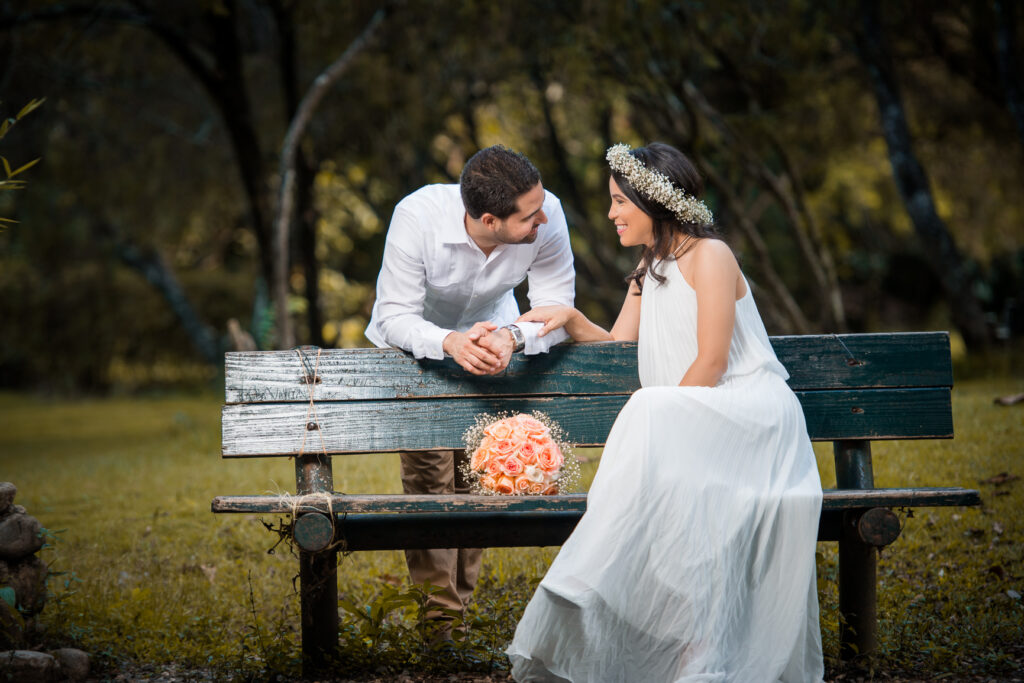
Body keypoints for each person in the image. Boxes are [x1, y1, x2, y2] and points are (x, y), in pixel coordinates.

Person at [506, 142, 823, 681]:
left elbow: (714, 361)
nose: (611, 214)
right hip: (693, 420)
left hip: (748, 413)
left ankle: (593, 572)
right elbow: (616, 346)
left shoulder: (711, 256)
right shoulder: (647, 270)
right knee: (660, 452)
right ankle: (687, 637)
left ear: (652, 200)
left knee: (649, 408)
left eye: (618, 202)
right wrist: (570, 317)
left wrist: (672, 420)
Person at [365, 145, 576, 634]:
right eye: (529, 217)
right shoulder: (416, 217)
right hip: (415, 349)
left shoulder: (549, 215)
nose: (543, 218)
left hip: (496, 339)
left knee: (479, 471)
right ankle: (441, 621)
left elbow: (556, 305)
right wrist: (450, 343)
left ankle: (456, 608)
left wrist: (513, 336)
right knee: (430, 480)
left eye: (540, 205)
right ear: (489, 219)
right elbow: (394, 315)